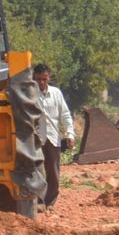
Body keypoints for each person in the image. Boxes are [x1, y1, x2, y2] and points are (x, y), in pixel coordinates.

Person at [32, 63, 74, 210]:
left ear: (49, 77)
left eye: (44, 79)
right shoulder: (30, 94)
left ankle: (50, 202)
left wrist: (69, 133)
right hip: (36, 138)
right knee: (37, 171)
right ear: (34, 78)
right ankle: (39, 202)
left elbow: (65, 114)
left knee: (54, 172)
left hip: (52, 137)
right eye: (38, 79)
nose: (41, 83)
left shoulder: (56, 93)